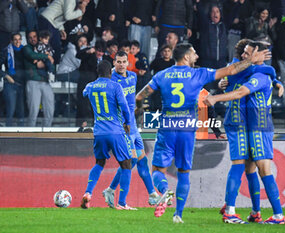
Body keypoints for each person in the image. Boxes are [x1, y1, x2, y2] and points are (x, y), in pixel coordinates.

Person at [135, 43, 270, 223]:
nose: (197, 56)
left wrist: (138, 110)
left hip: (167, 128)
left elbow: (140, 96)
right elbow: (230, 70)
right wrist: (250, 61)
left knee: (158, 170)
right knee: (184, 172)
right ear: (185, 57)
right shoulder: (198, 74)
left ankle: (165, 190)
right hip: (187, 129)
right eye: (194, 53)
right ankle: (178, 215)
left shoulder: (162, 75)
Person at [204, 41, 285, 224]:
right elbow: (232, 74)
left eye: (248, 53)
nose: (243, 55)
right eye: (244, 52)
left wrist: (216, 97)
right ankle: (252, 211)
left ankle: (275, 214)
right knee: (248, 167)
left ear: (259, 55)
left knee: (258, 168)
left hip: (258, 126)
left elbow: (242, 91)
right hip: (243, 124)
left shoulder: (261, 75)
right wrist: (223, 83)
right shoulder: (244, 71)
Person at [102, 51, 159, 210]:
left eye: (123, 61)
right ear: (114, 63)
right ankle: (119, 199)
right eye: (118, 61)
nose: (121, 64)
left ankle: (152, 195)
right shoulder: (110, 79)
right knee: (131, 159)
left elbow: (134, 99)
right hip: (121, 125)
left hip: (133, 124)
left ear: (128, 63)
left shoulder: (133, 77)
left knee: (142, 159)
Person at [80, 60, 133, 209]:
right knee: (126, 164)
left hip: (99, 132)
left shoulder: (90, 86)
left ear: (97, 72)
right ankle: (122, 203)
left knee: (99, 163)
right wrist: (127, 122)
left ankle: (88, 193)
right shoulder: (116, 86)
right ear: (111, 72)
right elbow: (124, 106)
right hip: (115, 131)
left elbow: (84, 93)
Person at [39, 0, 89, 64]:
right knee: (52, 48)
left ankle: (54, 69)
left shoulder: (74, 2)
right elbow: (68, 16)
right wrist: (80, 11)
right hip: (47, 21)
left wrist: (61, 29)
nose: (88, 2)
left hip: (51, 23)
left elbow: (59, 15)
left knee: (56, 48)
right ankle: (51, 70)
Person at [23, 30, 55, 127]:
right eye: (30, 37)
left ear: (39, 37)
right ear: (28, 39)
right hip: (33, 81)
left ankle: (47, 132)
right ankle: (29, 136)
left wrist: (47, 60)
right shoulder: (27, 48)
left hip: (45, 81)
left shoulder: (45, 47)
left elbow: (52, 66)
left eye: (34, 36)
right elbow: (32, 56)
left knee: (50, 109)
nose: (33, 39)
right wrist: (47, 56)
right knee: (33, 110)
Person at [0, 33, 25, 126]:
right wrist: (6, 76)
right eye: (15, 39)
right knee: (11, 109)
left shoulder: (25, 51)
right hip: (10, 83)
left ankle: (22, 136)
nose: (17, 41)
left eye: (19, 39)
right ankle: (8, 133)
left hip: (22, 84)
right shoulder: (6, 51)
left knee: (21, 111)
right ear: (11, 41)